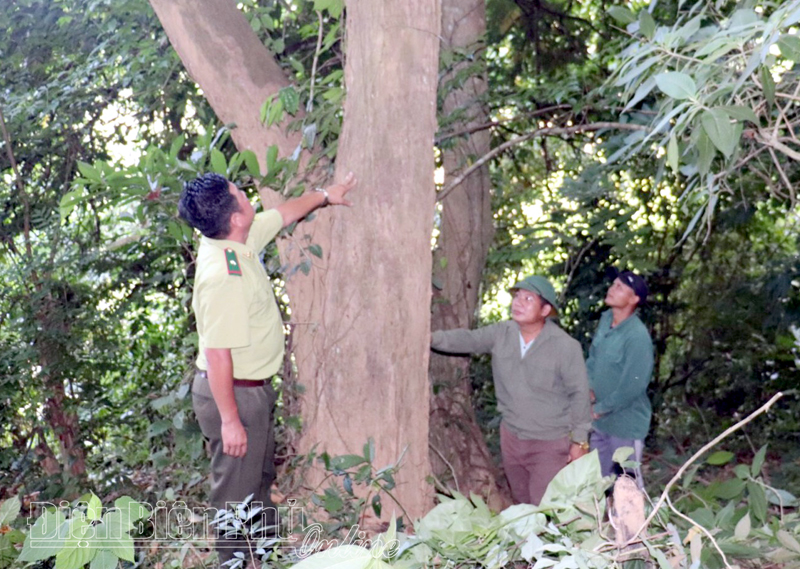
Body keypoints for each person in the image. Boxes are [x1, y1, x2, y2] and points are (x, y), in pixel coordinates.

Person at [178, 171, 356, 565]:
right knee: (234, 499)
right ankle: (234, 561)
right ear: (236, 216)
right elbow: (219, 352)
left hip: (249, 390)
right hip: (233, 394)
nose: (243, 192)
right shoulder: (223, 275)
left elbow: (282, 214)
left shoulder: (235, 239)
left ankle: (264, 555)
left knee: (257, 481)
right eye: (238, 193)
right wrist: (230, 421)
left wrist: (327, 195)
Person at [431, 275, 592, 505]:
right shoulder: (502, 333)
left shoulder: (565, 347)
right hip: (512, 438)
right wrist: (430, 338)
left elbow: (579, 394)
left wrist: (579, 442)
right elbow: (469, 339)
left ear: (545, 310)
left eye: (528, 299)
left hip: (548, 442)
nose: (518, 303)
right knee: (521, 502)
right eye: (517, 297)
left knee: (544, 507)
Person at [587, 271, 654, 486]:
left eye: (620, 287)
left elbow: (633, 386)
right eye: (613, 284)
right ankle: (601, 520)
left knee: (628, 485)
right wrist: (587, 388)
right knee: (596, 482)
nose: (611, 289)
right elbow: (593, 358)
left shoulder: (636, 335)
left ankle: (634, 521)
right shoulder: (606, 320)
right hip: (601, 423)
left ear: (634, 299)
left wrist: (600, 408)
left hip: (625, 425)